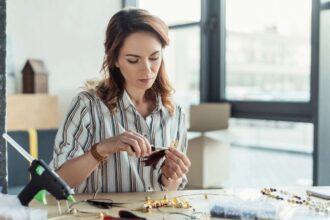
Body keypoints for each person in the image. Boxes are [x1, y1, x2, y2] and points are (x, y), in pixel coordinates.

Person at [50, 8, 191, 193]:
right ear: (114, 59)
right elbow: (59, 180)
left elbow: (171, 189)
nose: (147, 69)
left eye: (154, 57)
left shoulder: (175, 112)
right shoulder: (87, 106)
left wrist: (171, 175)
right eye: (134, 60)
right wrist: (101, 149)